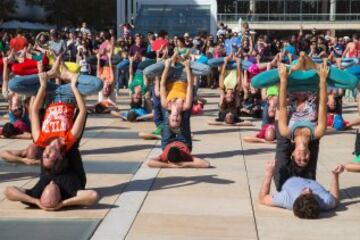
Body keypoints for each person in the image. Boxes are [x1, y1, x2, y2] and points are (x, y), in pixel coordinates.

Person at [277, 62, 328, 168]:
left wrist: (283, 80)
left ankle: (299, 62)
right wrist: (323, 81)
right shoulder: (318, 132)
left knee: (300, 60)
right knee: (305, 60)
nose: (302, 157)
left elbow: (281, 107)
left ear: (292, 154)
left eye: (298, 160)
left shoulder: (286, 131)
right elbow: (322, 106)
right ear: (309, 155)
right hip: (311, 87)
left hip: (293, 86)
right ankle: (306, 62)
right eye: (305, 160)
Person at [259, 160, 344, 219]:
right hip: (309, 175)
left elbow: (262, 198)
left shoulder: (287, 200)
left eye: (304, 193)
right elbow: (335, 199)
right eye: (311, 193)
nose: (307, 189)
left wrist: (269, 173)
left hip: (287, 175)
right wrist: (335, 175)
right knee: (306, 147)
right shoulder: (325, 202)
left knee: (285, 143)